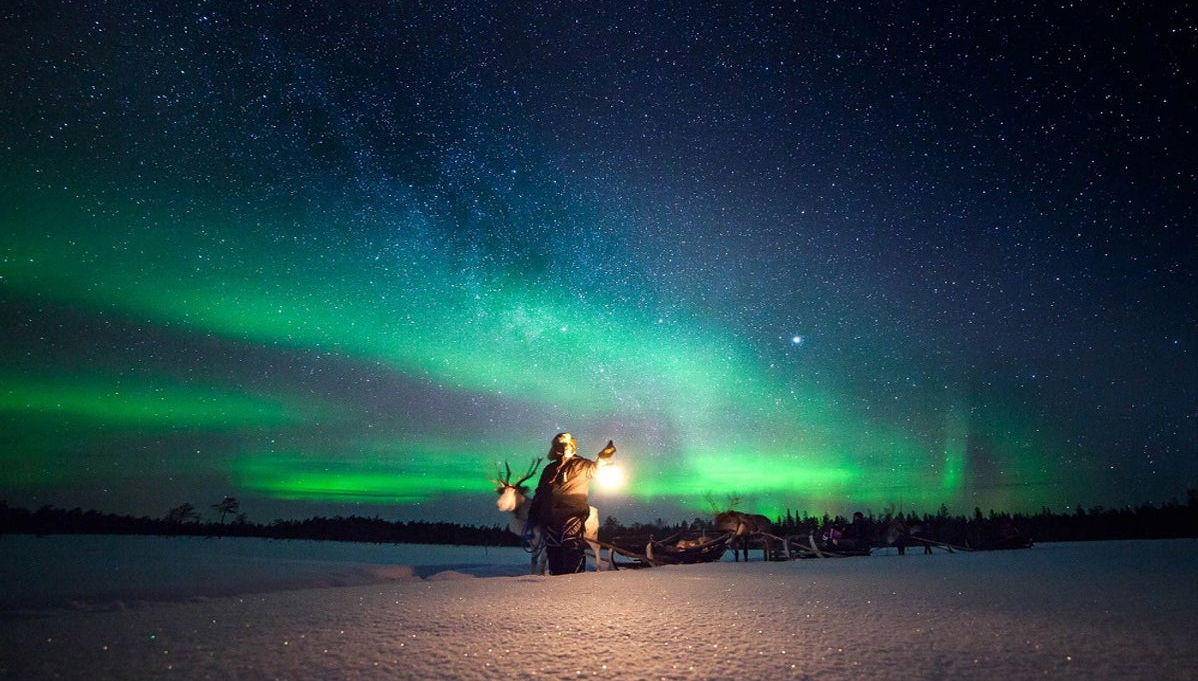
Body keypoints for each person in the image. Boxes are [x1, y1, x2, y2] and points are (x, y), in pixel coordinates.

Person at [527, 432, 616, 575]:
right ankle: (558, 585)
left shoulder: (582, 465)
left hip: (572, 513)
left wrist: (603, 457)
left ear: (573, 447)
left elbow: (596, 468)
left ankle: (574, 583)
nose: (563, 448)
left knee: (571, 546)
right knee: (553, 552)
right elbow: (540, 494)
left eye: (566, 445)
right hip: (550, 518)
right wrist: (533, 515)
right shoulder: (549, 469)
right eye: (559, 445)